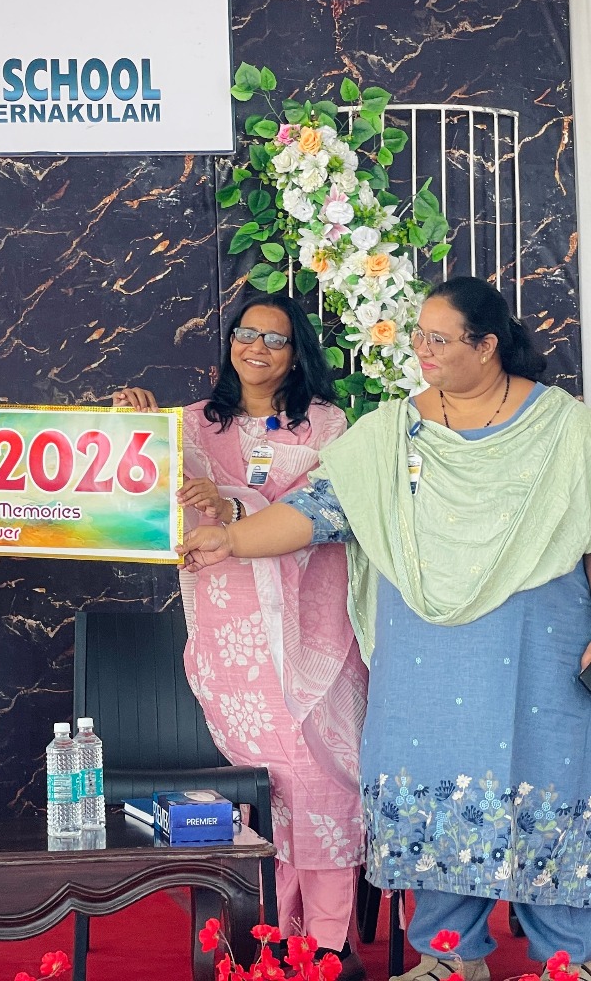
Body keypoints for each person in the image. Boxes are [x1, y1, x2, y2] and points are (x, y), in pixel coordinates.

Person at [179, 277, 591, 981]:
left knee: (547, 779)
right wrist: (234, 540)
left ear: (487, 346)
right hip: (423, 647)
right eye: (419, 335)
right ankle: (449, 956)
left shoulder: (564, 428)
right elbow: (319, 508)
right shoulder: (394, 431)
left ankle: (567, 960)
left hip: (535, 641)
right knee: (433, 778)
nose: (421, 349)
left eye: (440, 338)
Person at [115, 294, 368, 972]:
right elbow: (147, 497)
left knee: (323, 779)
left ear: (297, 353)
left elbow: (331, 515)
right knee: (264, 785)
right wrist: (135, 427)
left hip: (316, 632)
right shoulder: (194, 424)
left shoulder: (326, 424)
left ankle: (327, 944)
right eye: (245, 334)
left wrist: (236, 504)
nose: (257, 348)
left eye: (275, 339)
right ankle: (268, 940)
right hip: (235, 636)